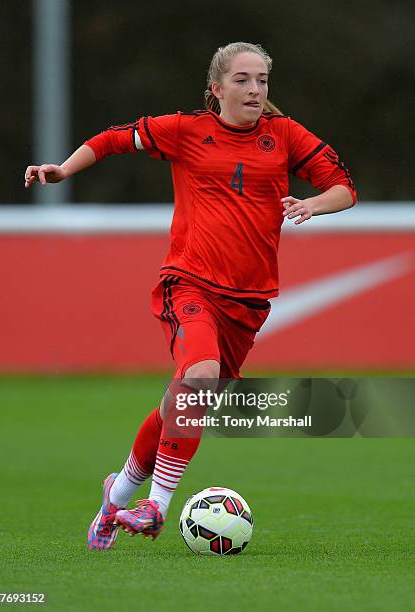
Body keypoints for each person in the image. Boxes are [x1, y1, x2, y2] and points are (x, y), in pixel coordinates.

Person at [24, 42, 356, 550]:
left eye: (263, 80)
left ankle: (118, 492)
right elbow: (114, 139)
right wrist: (64, 170)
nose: (255, 89)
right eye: (243, 79)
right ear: (217, 89)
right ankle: (156, 505)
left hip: (249, 302)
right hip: (190, 282)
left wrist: (312, 204)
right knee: (198, 379)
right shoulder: (186, 130)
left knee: (181, 407)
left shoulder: (284, 135)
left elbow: (344, 188)